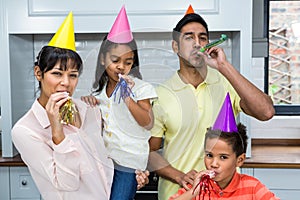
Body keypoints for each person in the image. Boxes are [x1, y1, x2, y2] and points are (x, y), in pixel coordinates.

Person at [11, 12, 148, 200]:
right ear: (38, 73)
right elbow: (67, 183)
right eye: (57, 73)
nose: (66, 83)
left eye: (73, 75)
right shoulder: (25, 131)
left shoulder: (89, 109)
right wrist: (57, 134)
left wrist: (133, 175)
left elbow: (105, 160)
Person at [149, 7, 275, 200]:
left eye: (203, 38)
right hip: (178, 195)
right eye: (189, 37)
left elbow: (266, 111)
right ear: (175, 46)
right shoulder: (161, 94)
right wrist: (179, 176)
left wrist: (223, 66)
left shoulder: (224, 82)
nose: (197, 43)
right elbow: (149, 153)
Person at [81, 6, 157, 200]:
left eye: (128, 62)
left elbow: (146, 121)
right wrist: (88, 102)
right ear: (102, 59)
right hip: (104, 162)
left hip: (129, 163)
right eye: (115, 60)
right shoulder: (99, 92)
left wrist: (126, 96)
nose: (121, 66)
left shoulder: (141, 88)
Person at [168, 93, 279, 200]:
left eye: (223, 157)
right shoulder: (195, 187)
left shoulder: (252, 187)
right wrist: (193, 192)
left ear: (239, 160)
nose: (213, 164)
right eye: (209, 155)